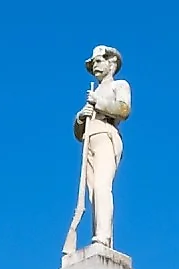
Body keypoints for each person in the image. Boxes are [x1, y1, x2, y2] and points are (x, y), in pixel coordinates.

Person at [63, 45, 131, 255]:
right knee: (93, 194)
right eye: (93, 63)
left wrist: (98, 102)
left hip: (106, 136)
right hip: (90, 139)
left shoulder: (119, 85)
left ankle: (103, 236)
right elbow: (78, 133)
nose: (95, 66)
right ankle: (99, 235)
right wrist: (80, 118)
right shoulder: (96, 90)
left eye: (98, 61)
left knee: (102, 188)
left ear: (112, 63)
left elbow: (123, 110)